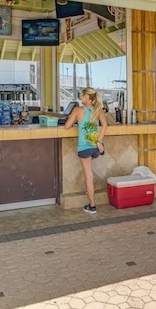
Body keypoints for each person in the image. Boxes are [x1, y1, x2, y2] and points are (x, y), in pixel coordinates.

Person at [64, 87, 108, 215]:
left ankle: (92, 205)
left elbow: (67, 126)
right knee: (88, 171)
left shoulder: (78, 110)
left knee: (89, 176)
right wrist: (99, 141)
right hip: (95, 148)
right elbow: (104, 125)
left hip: (84, 148)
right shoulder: (98, 110)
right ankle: (89, 190)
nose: (80, 98)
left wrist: (75, 121)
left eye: (82, 95)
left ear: (87, 97)